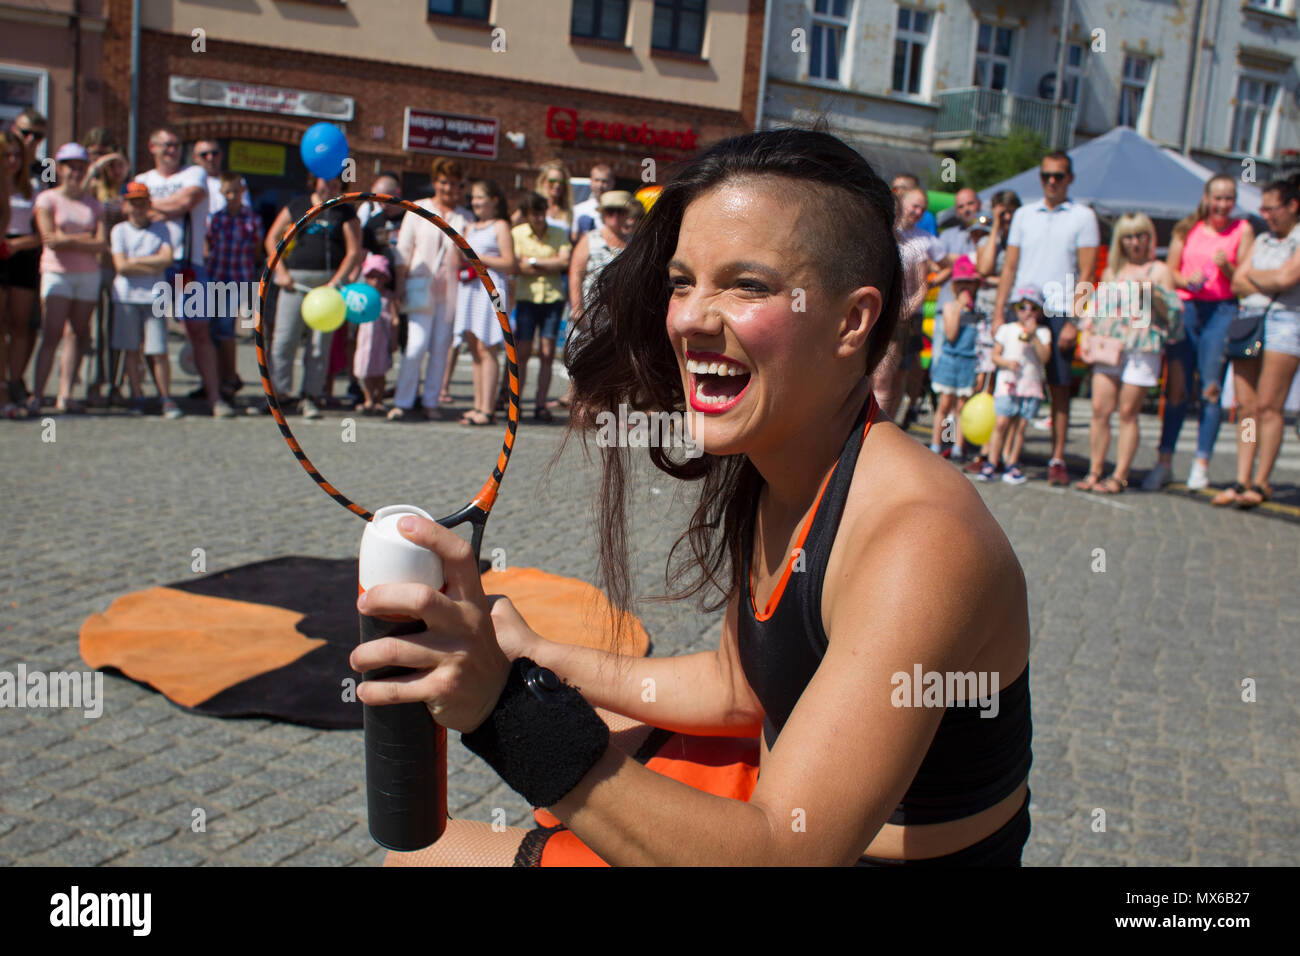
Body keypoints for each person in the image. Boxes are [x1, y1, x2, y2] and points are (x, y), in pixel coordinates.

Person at [358, 128, 1032, 867]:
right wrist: (534, 655)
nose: (689, 318)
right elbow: (737, 687)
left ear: (851, 322)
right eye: (683, 281)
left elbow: (781, 854)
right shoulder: (779, 456)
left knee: (421, 861)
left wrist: (506, 709)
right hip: (769, 810)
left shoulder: (921, 543)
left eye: (746, 286)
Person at [993, 151, 1100, 486]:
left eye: (1059, 175)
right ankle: (1002, 454)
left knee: (1058, 387)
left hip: (1058, 310)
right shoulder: (1024, 214)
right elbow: (1009, 267)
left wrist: (1074, 321)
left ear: (1069, 178)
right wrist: (999, 312)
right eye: (1046, 175)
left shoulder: (1083, 216)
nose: (1052, 181)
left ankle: (1056, 457)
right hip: (1022, 304)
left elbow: (1087, 271)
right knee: (1009, 381)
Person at [1159, 175, 1254, 490]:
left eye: (1229, 198)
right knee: (1176, 389)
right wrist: (1187, 280)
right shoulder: (1187, 229)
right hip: (1188, 309)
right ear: (1206, 197)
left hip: (1222, 310)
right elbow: (1170, 272)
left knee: (1210, 389)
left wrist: (1227, 268)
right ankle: (1165, 461)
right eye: (1218, 197)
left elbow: (1245, 278)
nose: (1223, 204)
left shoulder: (1242, 230)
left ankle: (1201, 462)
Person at [1074, 214, 1178, 494]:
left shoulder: (1159, 271)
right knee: (1099, 410)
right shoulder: (1112, 271)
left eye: (1140, 235)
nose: (1134, 242)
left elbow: (1174, 314)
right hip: (1110, 346)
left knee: (1128, 412)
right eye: (1128, 236)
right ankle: (1095, 470)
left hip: (1142, 347)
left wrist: (1153, 293)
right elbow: (1096, 308)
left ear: (1149, 237)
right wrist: (1087, 333)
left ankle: (1120, 475)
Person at [135, 127, 232, 417]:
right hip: (151, 264)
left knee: (199, 330)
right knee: (153, 332)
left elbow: (185, 201)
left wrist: (145, 207)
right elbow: (137, 213)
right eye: (165, 145)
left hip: (188, 264)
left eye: (176, 145)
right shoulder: (142, 179)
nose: (171, 150)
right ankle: (160, 396)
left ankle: (215, 397)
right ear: (152, 147)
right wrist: (152, 210)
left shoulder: (194, 174)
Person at [1221, 173, 1300, 507]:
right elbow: (1237, 281)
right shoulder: (1262, 240)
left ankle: (1262, 480)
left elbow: (1287, 277)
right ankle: (1242, 478)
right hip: (1249, 321)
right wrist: (1262, 279)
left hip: (1285, 322)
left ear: (1293, 206)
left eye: (1272, 208)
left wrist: (1255, 276)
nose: (1265, 215)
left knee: (1269, 406)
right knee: (1247, 408)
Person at [263, 173, 362, 418]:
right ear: (315, 180)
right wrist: (281, 272)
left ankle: (311, 395)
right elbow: (272, 239)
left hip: (327, 285)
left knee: (319, 345)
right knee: (284, 339)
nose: (330, 186)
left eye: (336, 182)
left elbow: (353, 251)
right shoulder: (298, 204)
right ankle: (280, 393)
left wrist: (336, 282)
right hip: (294, 282)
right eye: (325, 180)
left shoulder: (345, 212)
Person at [391, 157, 470, 421]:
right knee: (416, 345)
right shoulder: (417, 210)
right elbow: (403, 251)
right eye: (444, 182)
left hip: (450, 292)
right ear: (435, 182)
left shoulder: (465, 217)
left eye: (454, 183)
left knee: (440, 348)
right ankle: (402, 400)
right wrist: (400, 285)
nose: (449, 188)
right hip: (419, 286)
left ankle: (430, 401)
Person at [28, 144, 105, 415]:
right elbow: (51, 240)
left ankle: (66, 393)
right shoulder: (47, 199)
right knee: (51, 333)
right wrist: (83, 238)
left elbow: (101, 244)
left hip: (87, 275)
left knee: (77, 334)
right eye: (70, 166)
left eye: (81, 166)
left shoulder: (94, 204)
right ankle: (38, 393)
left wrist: (68, 239)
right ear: (60, 168)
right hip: (57, 273)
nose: (76, 171)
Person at [876, 186, 949, 424]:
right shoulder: (880, 235)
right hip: (880, 313)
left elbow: (923, 286)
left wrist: (905, 311)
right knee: (878, 377)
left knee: (895, 375)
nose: (918, 212)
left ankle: (884, 425)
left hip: (903, 318)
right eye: (914, 206)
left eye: (923, 209)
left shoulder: (919, 242)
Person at [110, 181, 178, 417]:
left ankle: (165, 396)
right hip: (127, 297)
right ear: (126, 206)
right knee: (131, 348)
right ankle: (137, 394)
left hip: (155, 296)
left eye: (142, 202)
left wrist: (135, 261)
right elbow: (121, 266)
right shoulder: (119, 231)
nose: (138, 207)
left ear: (149, 204)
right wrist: (151, 262)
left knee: (158, 350)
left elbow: (167, 259)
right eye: (133, 203)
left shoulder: (161, 229)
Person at [453, 179, 517, 426]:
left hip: (492, 291)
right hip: (470, 289)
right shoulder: (471, 227)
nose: (476, 202)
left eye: (481, 197)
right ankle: (478, 404)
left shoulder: (500, 226)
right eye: (474, 197)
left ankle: (487, 409)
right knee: (474, 348)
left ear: (494, 200)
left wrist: (479, 258)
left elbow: (510, 263)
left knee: (487, 348)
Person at [979, 287, 1052, 485]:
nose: (1027, 311)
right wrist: (1005, 363)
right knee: (1001, 423)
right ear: (1015, 308)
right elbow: (995, 355)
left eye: (1033, 307)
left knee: (1020, 426)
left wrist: (1034, 334)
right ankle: (992, 462)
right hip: (1008, 383)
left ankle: (1012, 463)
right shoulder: (1007, 329)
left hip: (1029, 385)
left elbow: (1045, 357)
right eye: (1022, 306)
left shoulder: (1043, 332)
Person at [205, 171, 265, 402]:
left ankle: (229, 378)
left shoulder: (252, 219)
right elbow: (209, 242)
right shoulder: (217, 218)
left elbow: (257, 248)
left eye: (235, 192)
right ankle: (220, 378)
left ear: (243, 192)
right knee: (213, 331)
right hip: (216, 276)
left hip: (238, 278)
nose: (231, 196)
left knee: (225, 329)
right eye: (227, 192)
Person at [81, 128, 130, 406]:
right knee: (94, 329)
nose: (101, 158)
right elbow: (77, 198)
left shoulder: (119, 185)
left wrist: (117, 164)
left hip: (118, 266)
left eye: (105, 151)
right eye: (95, 151)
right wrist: (94, 168)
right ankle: (93, 382)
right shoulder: (89, 186)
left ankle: (115, 383)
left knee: (117, 327)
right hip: (93, 264)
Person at [511, 193, 571, 422]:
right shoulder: (517, 234)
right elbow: (516, 266)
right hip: (527, 299)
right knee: (522, 353)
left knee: (547, 354)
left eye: (541, 212)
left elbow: (564, 262)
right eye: (533, 213)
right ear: (527, 215)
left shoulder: (558, 232)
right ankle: (515, 404)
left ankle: (540, 403)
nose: (538, 217)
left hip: (552, 299)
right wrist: (549, 263)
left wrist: (533, 262)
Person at [927, 256, 982, 460]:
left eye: (969, 282)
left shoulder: (978, 310)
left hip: (968, 363)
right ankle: (937, 443)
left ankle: (958, 446)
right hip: (950, 361)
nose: (965, 287)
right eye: (961, 283)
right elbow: (950, 334)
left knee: (962, 408)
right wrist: (959, 307)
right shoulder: (950, 307)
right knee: (944, 405)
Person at [1, 130, 42, 405]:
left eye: (18, 155)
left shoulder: (32, 187)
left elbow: (42, 234)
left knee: (21, 325)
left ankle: (15, 380)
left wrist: (18, 245)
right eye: (7, 155)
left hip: (23, 253)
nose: (13, 160)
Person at [932, 188, 982, 369]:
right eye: (961, 206)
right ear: (956, 210)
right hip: (946, 304)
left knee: (972, 365)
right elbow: (938, 264)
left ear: (979, 204)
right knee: (940, 360)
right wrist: (974, 260)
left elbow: (987, 265)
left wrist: (954, 259)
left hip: (977, 310)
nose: (967, 209)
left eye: (970, 203)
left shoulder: (989, 234)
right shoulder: (947, 235)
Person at [352, 252, 399, 416]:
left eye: (379, 277)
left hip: (382, 340)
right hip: (365, 341)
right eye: (372, 277)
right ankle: (368, 398)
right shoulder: (363, 296)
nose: (376, 281)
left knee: (380, 371)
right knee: (364, 370)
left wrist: (394, 340)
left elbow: (395, 319)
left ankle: (378, 399)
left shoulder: (388, 296)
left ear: (386, 277)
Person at [571, 163, 614, 241]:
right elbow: (574, 238)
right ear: (591, 181)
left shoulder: (619, 211)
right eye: (596, 180)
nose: (600, 185)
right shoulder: (578, 209)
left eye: (604, 181)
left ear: (612, 183)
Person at [535, 160, 573, 234]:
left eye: (561, 182)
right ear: (543, 182)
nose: (557, 185)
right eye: (552, 181)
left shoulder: (568, 210)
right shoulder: (534, 206)